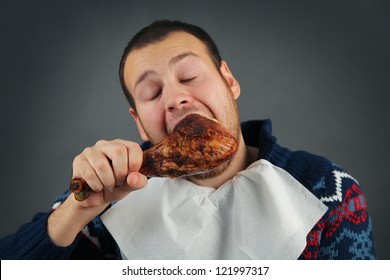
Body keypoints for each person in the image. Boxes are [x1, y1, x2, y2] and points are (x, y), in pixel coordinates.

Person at [0, 20, 376, 260]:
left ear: (229, 81)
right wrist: (78, 210)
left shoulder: (328, 190)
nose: (176, 97)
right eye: (151, 93)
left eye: (190, 75)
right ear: (141, 125)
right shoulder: (109, 192)